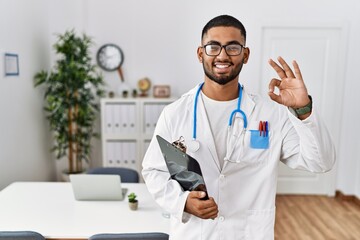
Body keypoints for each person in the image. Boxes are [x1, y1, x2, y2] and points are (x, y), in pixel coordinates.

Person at [142, 14, 335, 240]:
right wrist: (182, 202)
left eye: (232, 47)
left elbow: (320, 162)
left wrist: (304, 110)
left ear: (245, 55)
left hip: (249, 233)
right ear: (200, 53)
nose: (222, 55)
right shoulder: (175, 113)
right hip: (195, 233)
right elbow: (153, 171)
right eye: (213, 46)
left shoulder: (271, 114)